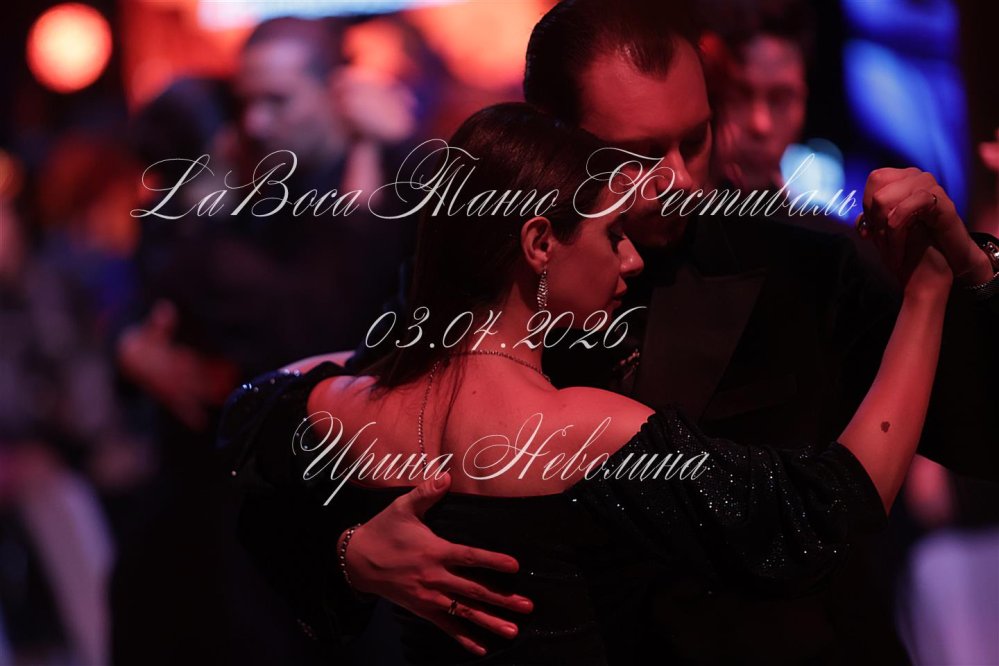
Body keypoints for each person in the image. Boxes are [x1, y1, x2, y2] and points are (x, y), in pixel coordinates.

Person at [233, 1, 999, 662]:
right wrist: (349, 554)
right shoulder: (489, 275)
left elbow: (980, 432)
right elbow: (308, 440)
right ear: (554, 142)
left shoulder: (803, 262)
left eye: (694, 139)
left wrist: (970, 269)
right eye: (638, 156)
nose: (681, 180)